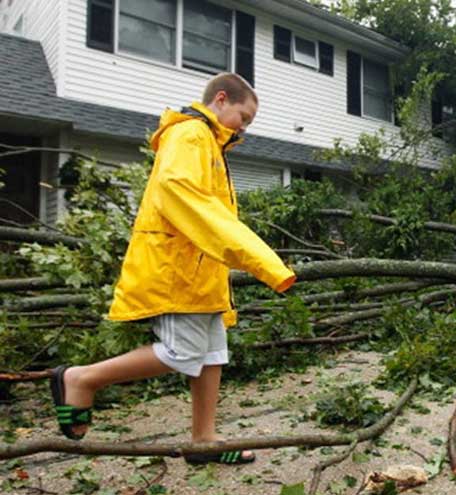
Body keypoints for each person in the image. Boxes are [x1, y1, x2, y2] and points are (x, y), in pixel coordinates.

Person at [49, 73, 296, 465]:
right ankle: (81, 378)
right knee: (181, 352)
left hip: (203, 271)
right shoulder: (191, 135)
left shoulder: (211, 144)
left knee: (213, 353)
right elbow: (186, 201)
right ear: (220, 99)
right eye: (244, 117)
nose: (245, 127)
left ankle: (204, 441)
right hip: (178, 269)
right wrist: (261, 259)